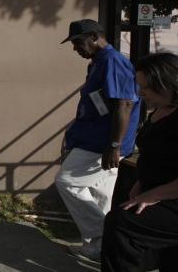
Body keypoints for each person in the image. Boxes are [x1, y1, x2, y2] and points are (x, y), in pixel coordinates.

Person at [55, 19, 141, 261]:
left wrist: (113, 146)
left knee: (66, 182)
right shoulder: (98, 62)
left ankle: (109, 233)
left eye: (77, 42)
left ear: (94, 36)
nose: (75, 49)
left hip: (102, 143)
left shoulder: (113, 61)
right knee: (100, 194)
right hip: (95, 139)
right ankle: (98, 248)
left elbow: (124, 104)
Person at [101, 52, 178, 271]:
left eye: (147, 86)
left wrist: (154, 194)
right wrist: (142, 183)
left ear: (168, 82)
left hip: (170, 196)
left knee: (121, 224)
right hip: (157, 191)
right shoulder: (161, 110)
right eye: (139, 85)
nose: (140, 92)